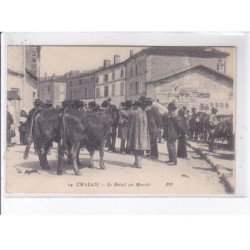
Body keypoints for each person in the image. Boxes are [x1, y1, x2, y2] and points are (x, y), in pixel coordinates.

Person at [126, 100, 150, 168]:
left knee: (136, 148)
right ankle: (138, 162)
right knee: (141, 148)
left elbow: (127, 115)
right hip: (143, 134)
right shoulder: (143, 112)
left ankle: (138, 164)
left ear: (136, 105)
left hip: (136, 134)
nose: (133, 106)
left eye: (134, 105)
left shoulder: (134, 112)